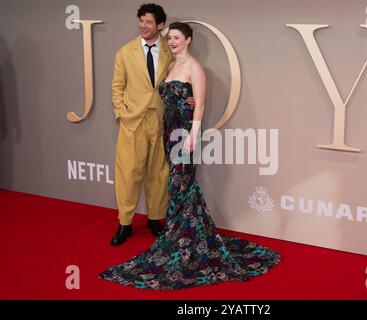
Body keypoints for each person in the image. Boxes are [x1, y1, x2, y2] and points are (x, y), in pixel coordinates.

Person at [99, 22, 281, 290]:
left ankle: (183, 237)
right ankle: (182, 233)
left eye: (176, 38)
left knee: (181, 183)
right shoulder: (170, 66)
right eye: (169, 37)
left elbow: (201, 103)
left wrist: (194, 135)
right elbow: (169, 97)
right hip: (169, 131)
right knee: (179, 186)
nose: (171, 41)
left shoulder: (195, 67)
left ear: (188, 39)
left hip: (184, 134)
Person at [110, 3, 193, 246]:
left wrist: (191, 95)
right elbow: (117, 87)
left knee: (159, 173)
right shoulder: (125, 52)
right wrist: (121, 113)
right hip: (133, 122)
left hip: (161, 120)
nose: (143, 26)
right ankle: (124, 224)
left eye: (148, 22)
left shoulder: (171, 49)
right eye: (141, 21)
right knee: (128, 174)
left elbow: (184, 72)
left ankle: (155, 220)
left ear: (160, 26)